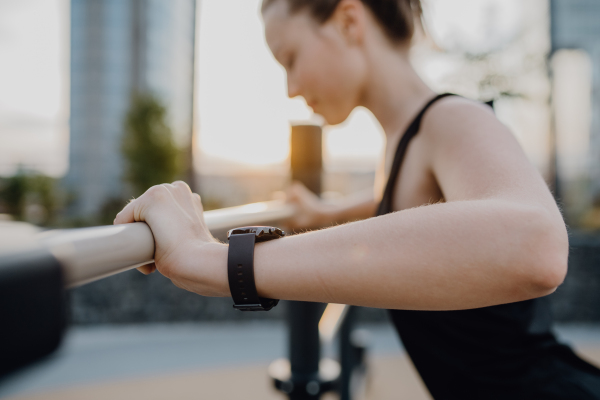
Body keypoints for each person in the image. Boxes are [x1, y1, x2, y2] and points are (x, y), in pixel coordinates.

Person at [114, 0, 600, 397]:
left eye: (290, 59)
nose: (290, 88)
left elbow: (535, 246)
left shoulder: (455, 118)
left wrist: (217, 262)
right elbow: (405, 211)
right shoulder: (405, 143)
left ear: (348, 21)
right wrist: (329, 213)